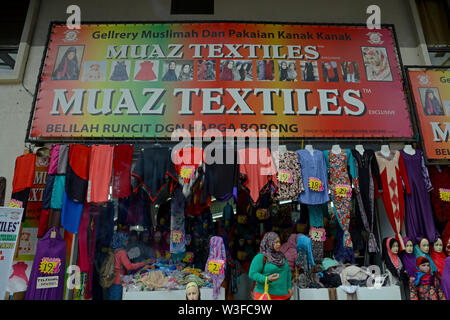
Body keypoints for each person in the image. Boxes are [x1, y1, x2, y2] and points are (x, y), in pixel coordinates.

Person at [248, 232, 292, 300]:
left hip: (284, 295)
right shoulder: (261, 257)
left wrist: (289, 287)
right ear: (269, 242)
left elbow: (288, 272)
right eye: (276, 242)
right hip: (266, 295)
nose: (279, 244)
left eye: (279, 242)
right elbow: (252, 274)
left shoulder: (282, 257)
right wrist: (267, 279)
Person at [109, 232, 150, 300]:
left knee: (112, 296)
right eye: (125, 240)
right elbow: (129, 266)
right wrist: (143, 263)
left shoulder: (114, 250)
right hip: (118, 280)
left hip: (112, 278)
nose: (127, 242)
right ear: (122, 241)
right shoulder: (122, 252)